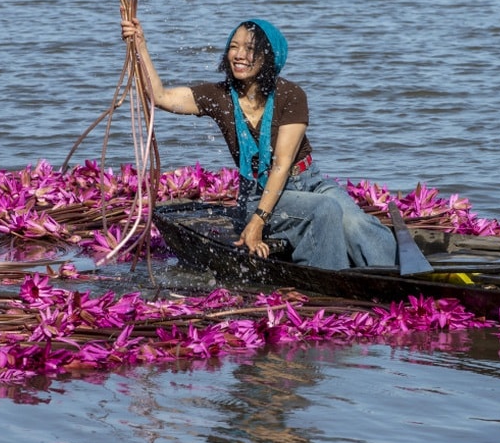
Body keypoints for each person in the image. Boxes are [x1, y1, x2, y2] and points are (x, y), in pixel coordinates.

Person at [121, 14, 398, 270]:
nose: (239, 55)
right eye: (234, 46)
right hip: (258, 192)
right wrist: (140, 46)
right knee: (325, 211)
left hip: (308, 181)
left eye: (250, 49)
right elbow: (160, 97)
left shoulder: (291, 95)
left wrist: (258, 223)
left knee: (357, 224)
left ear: (268, 57)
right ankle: (329, 282)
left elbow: (282, 164)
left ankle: (400, 275)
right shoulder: (219, 97)